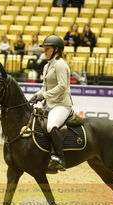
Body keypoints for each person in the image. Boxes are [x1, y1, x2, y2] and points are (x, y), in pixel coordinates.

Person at [29, 35, 73, 170]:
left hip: (61, 104)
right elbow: (44, 87)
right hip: (50, 105)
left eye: (47, 49)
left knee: (51, 126)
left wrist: (44, 95)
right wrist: (36, 95)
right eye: (44, 49)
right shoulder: (47, 65)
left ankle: (60, 158)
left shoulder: (60, 64)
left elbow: (62, 86)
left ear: (56, 50)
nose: (45, 52)